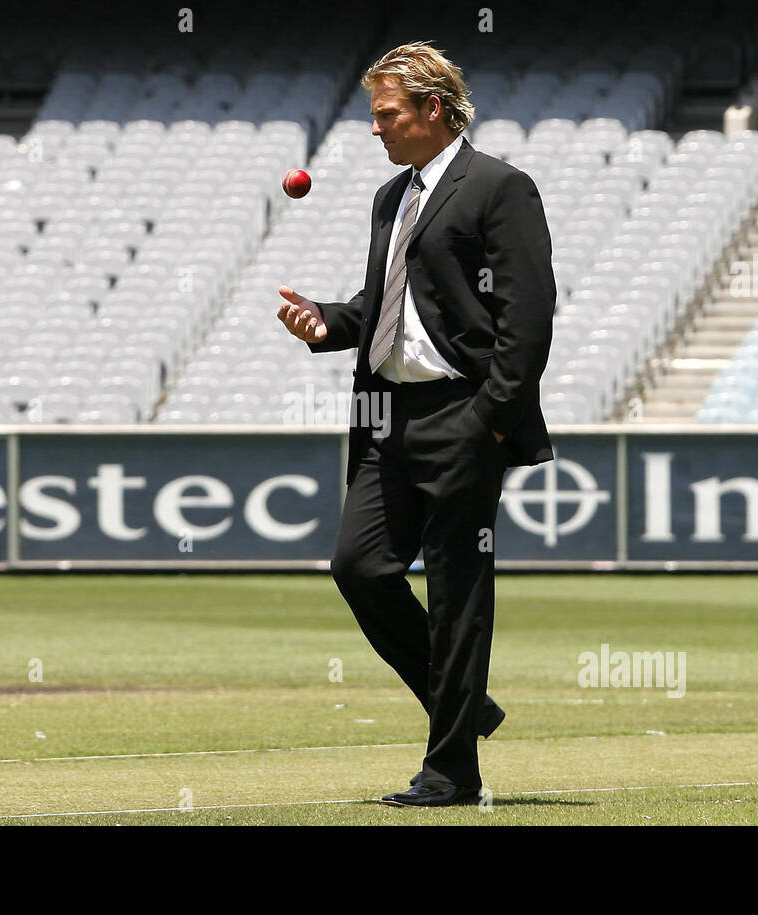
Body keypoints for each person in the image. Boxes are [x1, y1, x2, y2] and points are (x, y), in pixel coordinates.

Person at [276, 41, 555, 807]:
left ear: (434, 108)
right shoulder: (390, 197)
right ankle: (464, 707)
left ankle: (451, 771)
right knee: (359, 567)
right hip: (384, 419)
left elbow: (526, 320)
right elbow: (386, 307)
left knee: (457, 592)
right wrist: (324, 323)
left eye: (387, 113)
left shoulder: (500, 187)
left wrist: (490, 423)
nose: (376, 129)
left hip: (463, 417)